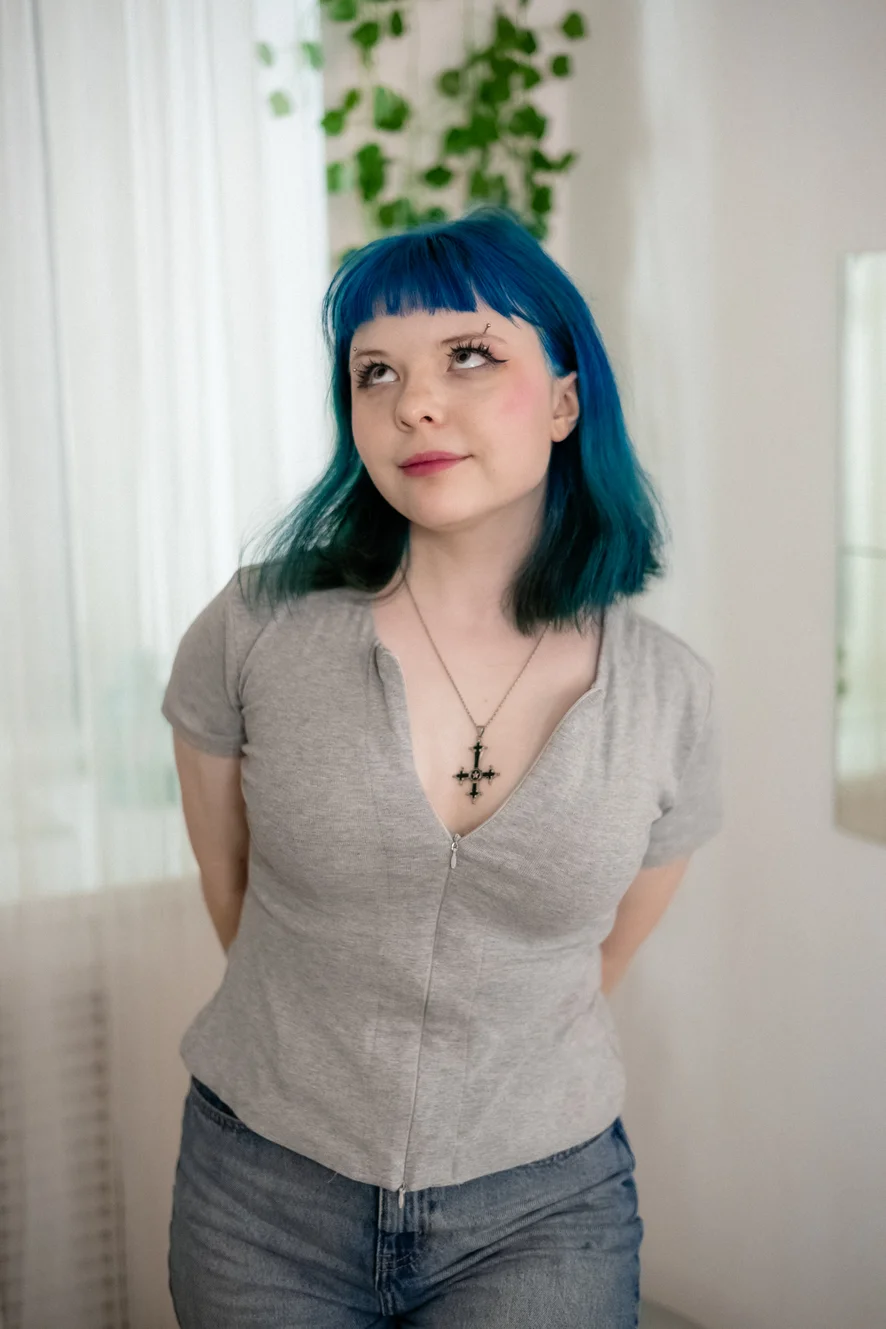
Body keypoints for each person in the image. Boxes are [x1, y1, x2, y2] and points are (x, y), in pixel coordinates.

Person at [162, 204, 724, 1328]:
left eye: (469, 355)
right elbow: (232, 889)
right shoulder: (256, 626)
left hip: (543, 1206)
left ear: (564, 401)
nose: (414, 401)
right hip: (261, 1193)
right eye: (375, 372)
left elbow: (596, 956)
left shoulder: (669, 694)